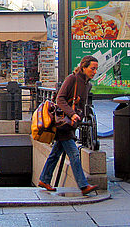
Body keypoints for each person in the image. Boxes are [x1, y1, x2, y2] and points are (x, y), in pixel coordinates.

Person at [38, 55, 99, 195]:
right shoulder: (72, 79)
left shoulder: (87, 84)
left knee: (55, 153)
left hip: (70, 124)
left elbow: (82, 105)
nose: (95, 71)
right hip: (63, 123)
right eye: (92, 68)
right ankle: (83, 185)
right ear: (84, 68)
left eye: (96, 69)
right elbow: (60, 98)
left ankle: (44, 179)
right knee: (74, 154)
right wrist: (72, 114)